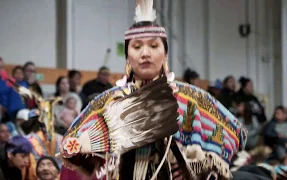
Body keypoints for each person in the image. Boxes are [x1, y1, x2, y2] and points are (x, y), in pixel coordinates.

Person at [58, 1, 248, 179]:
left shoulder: (191, 98)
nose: (145, 53)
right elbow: (69, 146)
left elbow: (233, 133)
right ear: (127, 57)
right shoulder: (109, 101)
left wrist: (196, 159)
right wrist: (84, 145)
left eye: (154, 45)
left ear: (165, 54)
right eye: (137, 46)